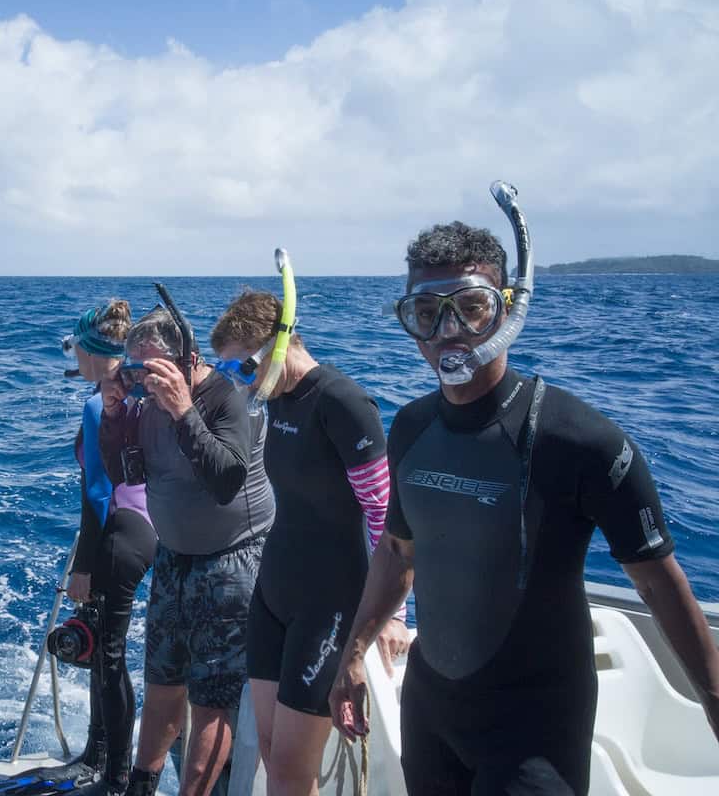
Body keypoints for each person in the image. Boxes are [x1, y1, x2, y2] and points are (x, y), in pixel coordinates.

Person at [328, 206, 719, 794]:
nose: (448, 332)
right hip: (432, 711)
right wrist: (352, 654)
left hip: (535, 729)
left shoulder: (580, 440)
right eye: (427, 313)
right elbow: (397, 552)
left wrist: (714, 704)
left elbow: (659, 583)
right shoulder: (409, 427)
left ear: (507, 310)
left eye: (472, 307)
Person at [210, 288, 410, 796]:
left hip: (330, 604)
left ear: (275, 348)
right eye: (230, 373)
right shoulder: (277, 400)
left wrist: (393, 616)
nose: (239, 383)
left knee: (294, 768)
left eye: (242, 369)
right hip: (274, 595)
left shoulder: (342, 402)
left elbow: (386, 516)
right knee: (274, 759)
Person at [99, 293, 275, 796]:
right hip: (173, 561)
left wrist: (181, 410)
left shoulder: (227, 398)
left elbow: (225, 480)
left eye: (151, 372)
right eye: (134, 373)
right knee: (162, 684)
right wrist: (114, 418)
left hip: (231, 565)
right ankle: (140, 787)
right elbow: (125, 473)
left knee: (212, 701)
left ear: (188, 361)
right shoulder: (144, 404)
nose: (143, 384)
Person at [57, 301, 157, 795]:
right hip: (150, 527)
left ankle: (115, 776)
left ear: (91, 352)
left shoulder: (100, 404)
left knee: (108, 655)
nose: (71, 357)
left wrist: (83, 568)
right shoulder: (135, 392)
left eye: (74, 347)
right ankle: (96, 755)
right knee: (103, 651)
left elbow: (97, 493)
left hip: (120, 531)